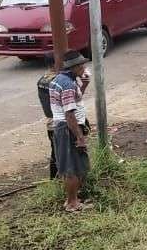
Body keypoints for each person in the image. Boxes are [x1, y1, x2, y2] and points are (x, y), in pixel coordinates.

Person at [49, 51, 91, 212]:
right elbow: (69, 114)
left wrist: (84, 85)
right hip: (67, 129)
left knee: (73, 164)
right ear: (75, 67)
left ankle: (73, 199)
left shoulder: (62, 80)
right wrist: (79, 137)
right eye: (81, 65)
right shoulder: (67, 85)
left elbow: (74, 100)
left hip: (65, 127)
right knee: (71, 167)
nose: (84, 68)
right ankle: (72, 202)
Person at [37, 55, 59, 180]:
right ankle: (58, 179)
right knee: (61, 152)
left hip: (50, 121)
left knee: (54, 151)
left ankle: (54, 178)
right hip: (59, 121)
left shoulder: (42, 80)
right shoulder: (57, 81)